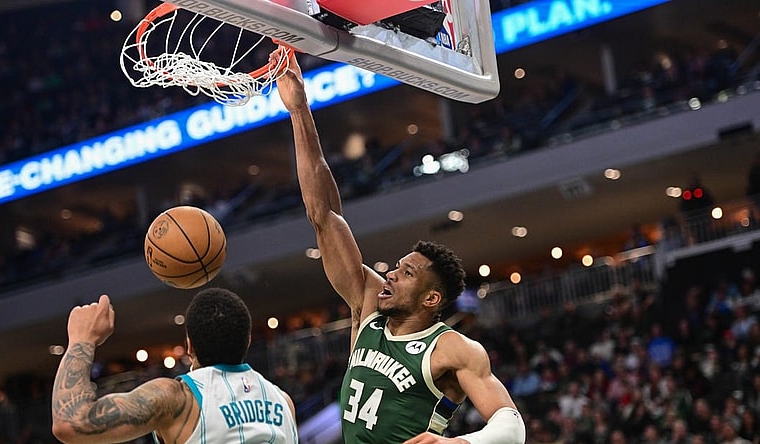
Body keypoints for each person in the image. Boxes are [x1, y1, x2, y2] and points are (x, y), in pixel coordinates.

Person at [272, 50, 525, 444]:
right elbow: (324, 215)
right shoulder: (368, 305)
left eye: (407, 273)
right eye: (397, 266)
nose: (390, 273)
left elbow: (512, 426)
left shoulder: (452, 348)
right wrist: (299, 110)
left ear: (431, 299)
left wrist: (456, 443)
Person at [51, 289, 298, 444]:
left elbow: (70, 424)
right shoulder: (284, 402)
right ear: (248, 340)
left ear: (189, 346)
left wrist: (81, 340)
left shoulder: (179, 400)